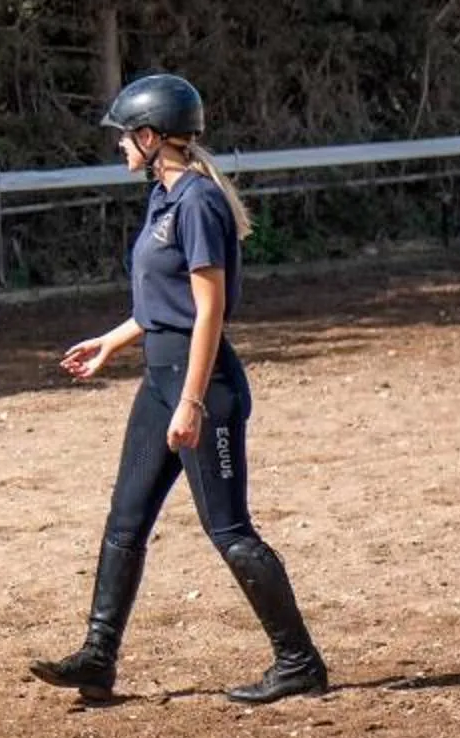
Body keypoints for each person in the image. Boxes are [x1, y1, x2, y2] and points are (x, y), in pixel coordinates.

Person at [30, 72, 328, 704]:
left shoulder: (196, 202)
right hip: (158, 379)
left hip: (202, 386)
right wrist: (113, 340)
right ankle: (98, 657)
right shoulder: (163, 197)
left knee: (229, 529)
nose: (118, 148)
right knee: (125, 518)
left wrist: (191, 401)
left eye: (124, 137)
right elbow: (164, 303)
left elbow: (209, 310)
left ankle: (299, 661)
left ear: (151, 136)